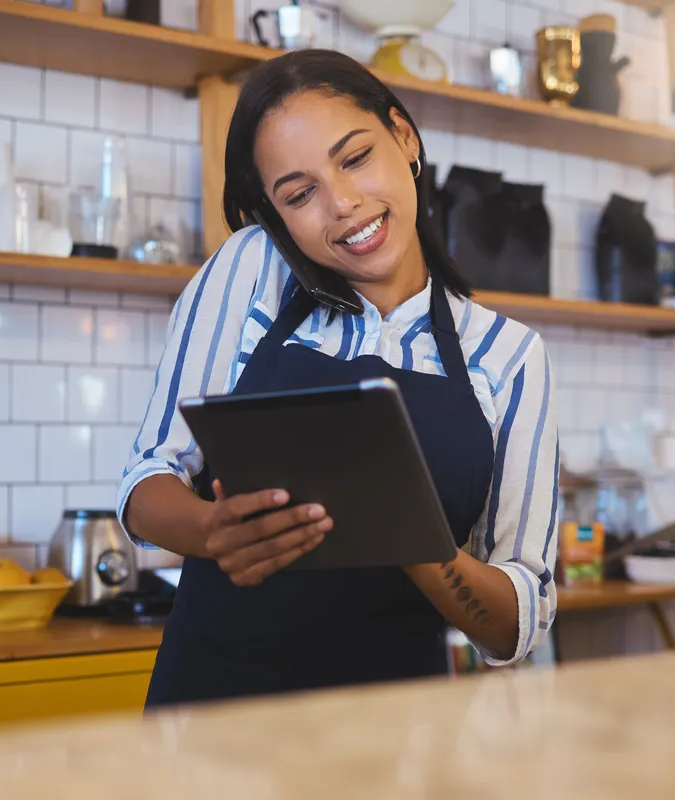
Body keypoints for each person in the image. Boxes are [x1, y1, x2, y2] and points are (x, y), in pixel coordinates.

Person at [118, 50, 558, 709]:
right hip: (211, 719)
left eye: (354, 158)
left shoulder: (510, 355)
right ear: (277, 212)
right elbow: (145, 483)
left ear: (403, 137)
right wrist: (214, 532)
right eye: (300, 194)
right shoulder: (253, 269)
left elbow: (516, 623)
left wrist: (413, 538)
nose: (343, 204)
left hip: (394, 738)